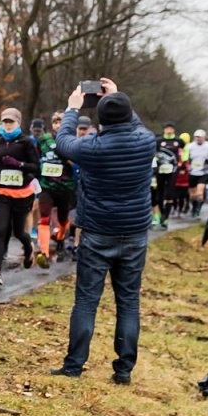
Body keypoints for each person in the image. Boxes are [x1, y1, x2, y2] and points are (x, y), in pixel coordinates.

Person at [50, 81, 156, 383]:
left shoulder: (91, 148)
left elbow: (63, 142)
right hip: (134, 233)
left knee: (86, 300)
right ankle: (123, 371)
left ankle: (74, 366)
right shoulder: (146, 141)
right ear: (129, 115)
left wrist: (72, 108)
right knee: (129, 302)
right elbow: (132, 122)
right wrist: (117, 97)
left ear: (100, 120)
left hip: (97, 232)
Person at [0, 107, 39, 287]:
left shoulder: (26, 142)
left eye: (11, 122)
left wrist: (19, 164)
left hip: (21, 194)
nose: (8, 125)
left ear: (18, 123)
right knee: (0, 230)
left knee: (18, 232)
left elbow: (36, 167)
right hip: (0, 193)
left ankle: (29, 246)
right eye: (5, 122)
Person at [34, 110, 77, 268]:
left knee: (63, 219)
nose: (58, 125)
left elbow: (77, 163)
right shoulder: (43, 140)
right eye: (55, 122)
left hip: (65, 186)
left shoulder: (72, 141)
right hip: (47, 185)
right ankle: (44, 253)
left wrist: (67, 156)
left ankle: (60, 240)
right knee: (44, 217)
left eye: (61, 121)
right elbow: (36, 158)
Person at [154, 124, 181, 228]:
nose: (169, 131)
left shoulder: (178, 141)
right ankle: (161, 214)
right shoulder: (159, 140)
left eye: (171, 129)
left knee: (169, 194)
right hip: (160, 170)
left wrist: (182, 160)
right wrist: (155, 162)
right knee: (159, 195)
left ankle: (166, 218)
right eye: (167, 129)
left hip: (172, 170)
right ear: (164, 130)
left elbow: (185, 150)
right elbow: (153, 153)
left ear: (173, 130)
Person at [187, 129, 208, 217]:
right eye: (196, 137)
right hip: (192, 172)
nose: (198, 139)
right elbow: (186, 158)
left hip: (204, 172)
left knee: (200, 192)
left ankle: (198, 210)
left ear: (204, 137)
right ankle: (194, 207)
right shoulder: (190, 146)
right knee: (192, 194)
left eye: (200, 137)